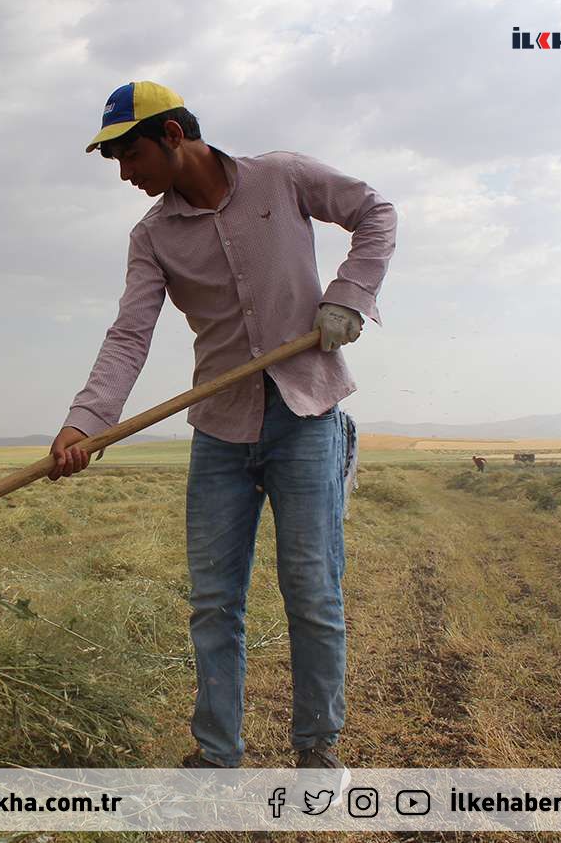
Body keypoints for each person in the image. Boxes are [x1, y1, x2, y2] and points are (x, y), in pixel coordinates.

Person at [48, 82, 396, 772]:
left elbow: (375, 211)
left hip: (307, 415)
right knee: (213, 603)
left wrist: (349, 297)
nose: (125, 172)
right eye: (116, 160)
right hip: (221, 429)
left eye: (130, 154)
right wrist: (86, 421)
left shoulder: (282, 177)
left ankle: (317, 750)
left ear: (173, 135)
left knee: (312, 591)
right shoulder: (152, 237)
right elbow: (130, 335)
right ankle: (217, 754)